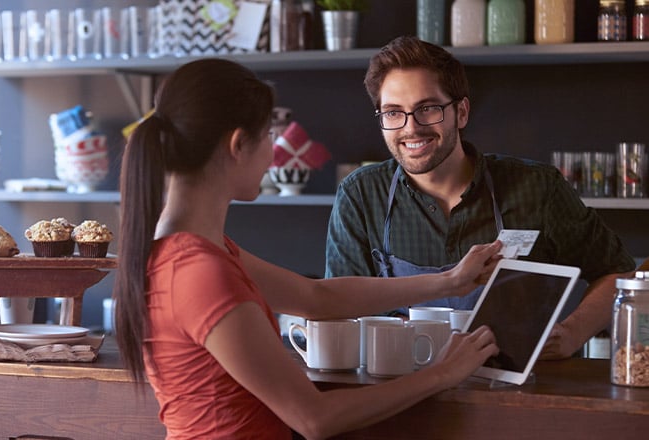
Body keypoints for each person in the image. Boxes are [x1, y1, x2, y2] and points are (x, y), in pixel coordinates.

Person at [113, 58, 503, 439]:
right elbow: (315, 419)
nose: (273, 154)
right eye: (268, 136)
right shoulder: (199, 270)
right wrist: (442, 374)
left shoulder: (193, 251)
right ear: (237, 144)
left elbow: (315, 297)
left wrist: (450, 281)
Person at [325, 35, 636, 360]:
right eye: (392, 113)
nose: (411, 128)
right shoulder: (361, 194)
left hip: (517, 396)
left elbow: (618, 271)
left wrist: (573, 333)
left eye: (427, 108)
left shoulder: (538, 188)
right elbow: (338, 305)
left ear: (461, 112)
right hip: (403, 393)